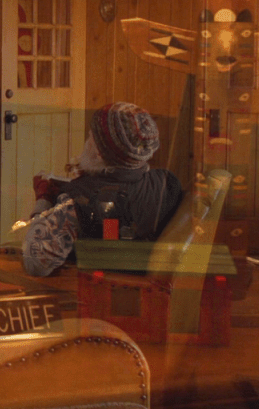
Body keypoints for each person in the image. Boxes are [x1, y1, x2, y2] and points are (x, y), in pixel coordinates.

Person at [21, 102, 184, 277]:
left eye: (90, 137)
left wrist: (43, 200)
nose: (87, 142)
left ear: (99, 152)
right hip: (145, 282)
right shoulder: (167, 183)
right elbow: (126, 191)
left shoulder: (76, 202)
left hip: (94, 287)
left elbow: (35, 263)